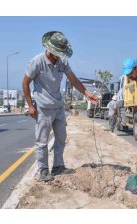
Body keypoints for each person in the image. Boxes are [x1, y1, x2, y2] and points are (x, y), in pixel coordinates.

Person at [22, 31, 98, 182]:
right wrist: (31, 106)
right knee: (42, 141)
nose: (59, 55)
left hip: (58, 106)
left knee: (61, 137)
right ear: (49, 49)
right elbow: (25, 83)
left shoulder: (62, 61)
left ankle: (58, 166)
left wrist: (85, 92)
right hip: (43, 107)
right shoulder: (37, 61)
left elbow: (73, 79)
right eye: (57, 52)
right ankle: (43, 169)